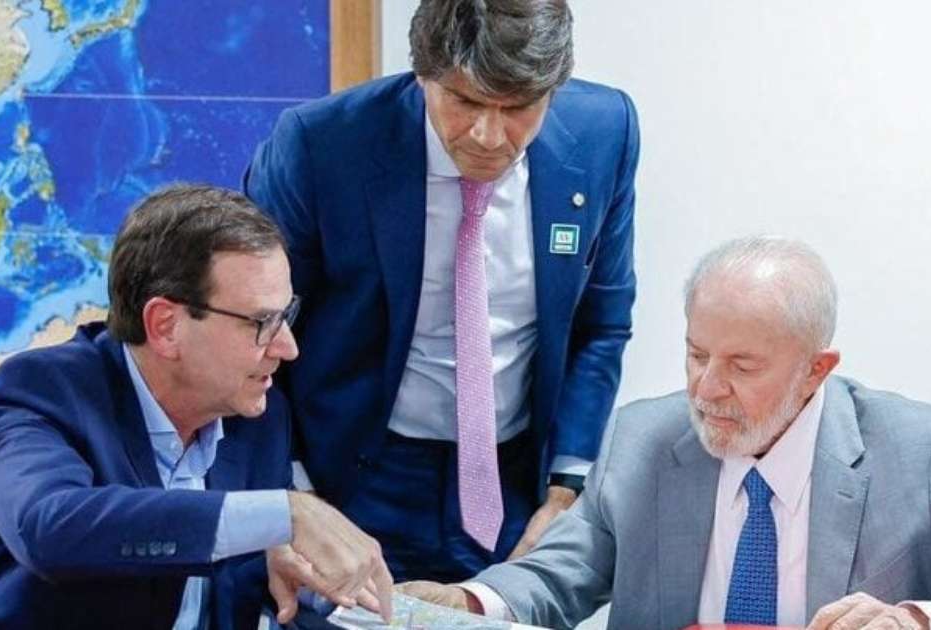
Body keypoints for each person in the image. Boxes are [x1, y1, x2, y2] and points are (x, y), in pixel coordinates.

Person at [403, 236, 931, 630]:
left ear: (816, 370)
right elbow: (556, 577)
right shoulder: (643, 438)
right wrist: (464, 602)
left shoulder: (917, 450)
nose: (706, 389)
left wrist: (917, 620)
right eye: (697, 354)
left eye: (743, 366)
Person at [243, 0, 639, 582]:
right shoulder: (322, 145)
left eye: (517, 108)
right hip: (352, 474)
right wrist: (291, 496)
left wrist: (567, 488)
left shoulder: (605, 132)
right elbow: (255, 333)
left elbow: (601, 325)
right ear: (422, 76)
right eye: (466, 102)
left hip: (516, 481)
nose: (488, 136)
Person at [0, 185, 392, 629]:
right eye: (262, 322)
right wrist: (286, 514)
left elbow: (248, 578)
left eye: (286, 316)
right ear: (165, 326)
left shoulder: (255, 417)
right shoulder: (44, 391)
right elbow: (48, 528)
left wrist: (362, 605)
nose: (288, 347)